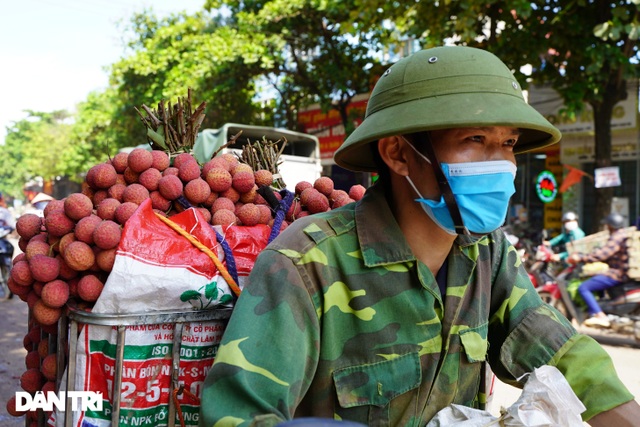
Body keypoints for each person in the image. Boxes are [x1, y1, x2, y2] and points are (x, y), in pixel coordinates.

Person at [199, 47, 639, 426]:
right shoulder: (306, 263)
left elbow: (559, 352)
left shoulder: (488, 254)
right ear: (398, 154)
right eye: (475, 138)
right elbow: (239, 414)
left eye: (508, 143)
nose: (501, 163)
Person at [568, 212, 630, 328]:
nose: (606, 227)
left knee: (584, 287)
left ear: (611, 225)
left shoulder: (617, 237)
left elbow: (603, 254)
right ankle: (599, 310)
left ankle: (599, 315)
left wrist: (581, 258)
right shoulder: (622, 235)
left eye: (607, 225)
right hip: (619, 272)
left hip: (616, 274)